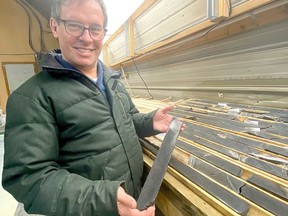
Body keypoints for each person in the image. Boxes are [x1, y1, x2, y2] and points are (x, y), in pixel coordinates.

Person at [2, 0, 185, 215]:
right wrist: (105, 200)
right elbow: (28, 178)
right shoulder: (32, 97)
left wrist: (149, 122)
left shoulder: (112, 80)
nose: (87, 37)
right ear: (54, 26)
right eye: (75, 25)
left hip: (133, 200)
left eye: (95, 29)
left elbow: (127, 121)